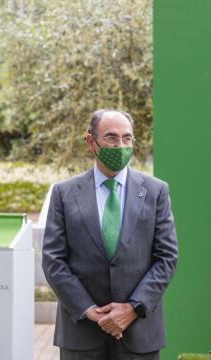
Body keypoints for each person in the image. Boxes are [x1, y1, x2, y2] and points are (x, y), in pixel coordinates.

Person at [42, 109, 179, 359]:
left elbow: (167, 258)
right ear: (90, 142)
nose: (120, 145)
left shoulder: (156, 191)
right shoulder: (64, 193)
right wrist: (89, 310)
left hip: (139, 333)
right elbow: (53, 260)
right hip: (82, 333)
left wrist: (132, 308)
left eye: (127, 138)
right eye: (111, 137)